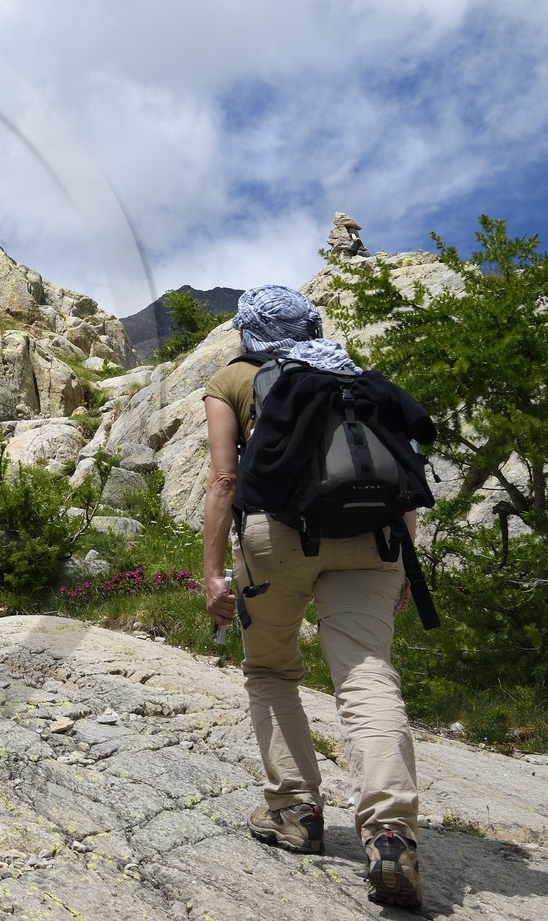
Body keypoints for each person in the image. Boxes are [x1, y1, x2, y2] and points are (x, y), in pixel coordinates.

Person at [203, 285, 423, 910]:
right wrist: (405, 561)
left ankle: (296, 811)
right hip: (373, 539)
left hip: (277, 538)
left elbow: (223, 478)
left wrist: (215, 571)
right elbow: (403, 476)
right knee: (367, 674)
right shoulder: (353, 375)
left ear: (247, 330)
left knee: (270, 668)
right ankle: (389, 832)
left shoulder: (235, 379)